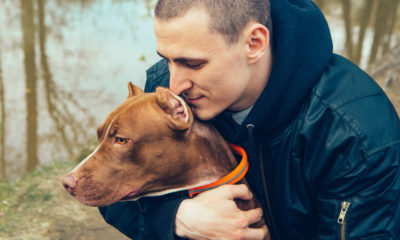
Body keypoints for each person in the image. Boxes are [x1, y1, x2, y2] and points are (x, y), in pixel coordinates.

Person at [99, 0, 400, 239]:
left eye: (193, 63)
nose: (174, 85)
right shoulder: (168, 93)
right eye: (167, 59)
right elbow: (105, 183)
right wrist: (178, 218)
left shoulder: (355, 133)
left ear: (254, 43)